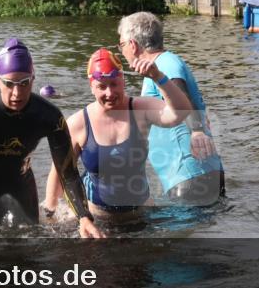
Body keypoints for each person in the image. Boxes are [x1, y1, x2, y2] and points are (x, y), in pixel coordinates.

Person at [0, 38, 103, 239]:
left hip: (21, 191)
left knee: (29, 260)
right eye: (9, 84)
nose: (17, 93)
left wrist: (84, 218)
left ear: (33, 79)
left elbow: (67, 172)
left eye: (24, 83)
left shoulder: (48, 116)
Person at [42, 48, 191, 219]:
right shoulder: (78, 124)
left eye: (114, 84)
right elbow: (60, 172)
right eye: (102, 87)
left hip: (141, 213)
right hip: (98, 217)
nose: (109, 93)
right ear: (92, 87)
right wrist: (51, 214)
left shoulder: (140, 109)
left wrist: (158, 77)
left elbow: (181, 113)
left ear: (123, 81)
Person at [117, 12, 225, 204]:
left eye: (122, 44)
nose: (121, 50)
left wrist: (197, 131)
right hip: (197, 173)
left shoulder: (165, 63)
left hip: (189, 175)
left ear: (132, 45)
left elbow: (181, 94)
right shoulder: (163, 63)